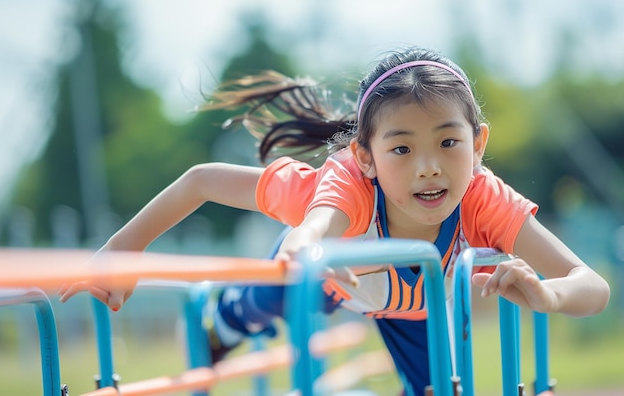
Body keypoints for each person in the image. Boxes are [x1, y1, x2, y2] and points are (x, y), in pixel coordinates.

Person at [60, 47, 610, 396]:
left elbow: (592, 285)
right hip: (325, 276)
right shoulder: (343, 187)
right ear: (367, 155)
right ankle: (223, 319)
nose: (428, 167)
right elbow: (205, 181)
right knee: (280, 283)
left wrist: (550, 297)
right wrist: (121, 250)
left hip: (416, 310)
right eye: (401, 149)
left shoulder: (481, 198)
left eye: (449, 142)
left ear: (478, 143)